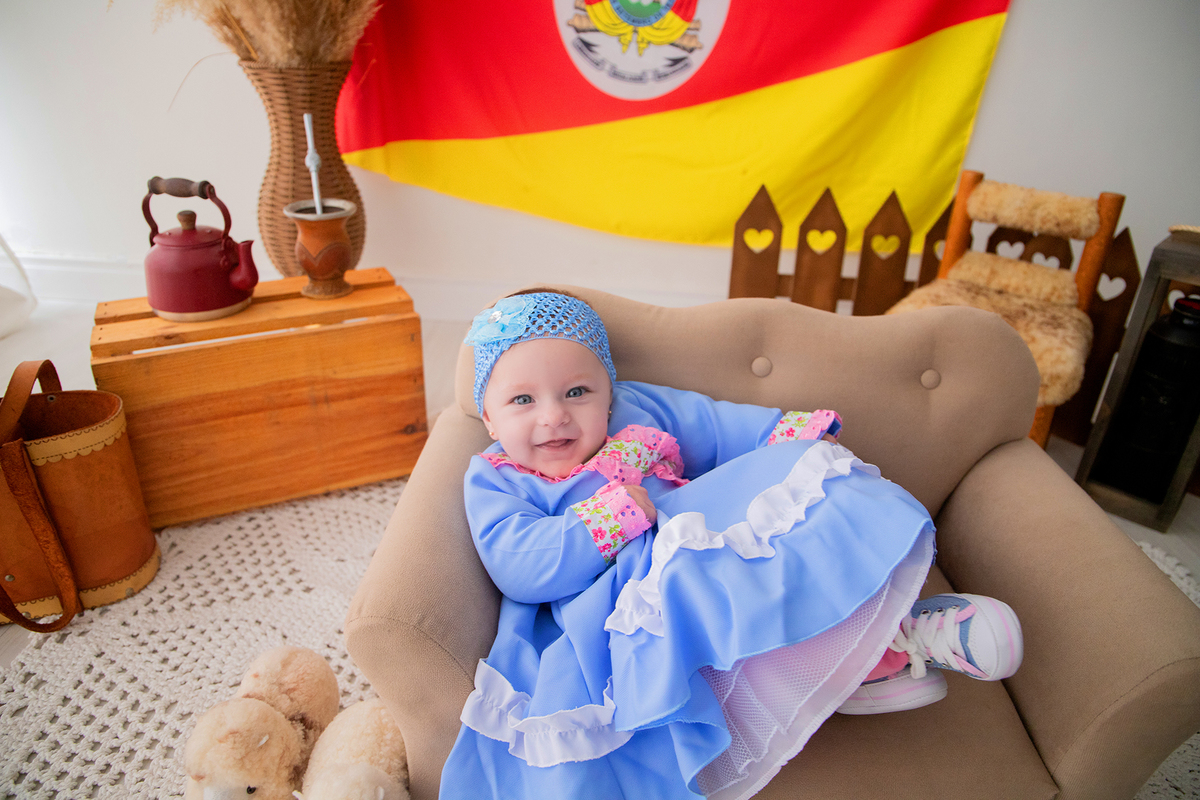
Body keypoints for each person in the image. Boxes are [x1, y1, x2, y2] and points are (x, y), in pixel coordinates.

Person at [439, 290, 1023, 800]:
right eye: (523, 401)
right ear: (488, 417)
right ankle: (878, 654)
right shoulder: (495, 478)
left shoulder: (638, 412)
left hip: (695, 534)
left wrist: (783, 435)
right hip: (613, 594)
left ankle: (884, 633)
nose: (554, 417)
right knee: (700, 587)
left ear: (608, 392)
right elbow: (517, 564)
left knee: (791, 485)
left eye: (576, 391)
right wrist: (608, 519)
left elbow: (718, 427)